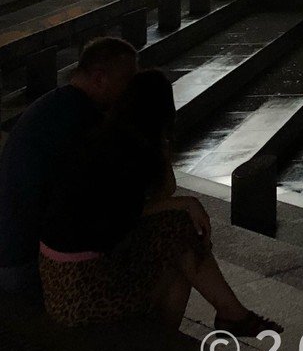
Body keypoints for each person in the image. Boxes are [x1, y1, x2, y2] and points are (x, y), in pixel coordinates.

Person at [39, 69, 279, 334]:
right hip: (80, 292)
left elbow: (146, 202)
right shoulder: (124, 152)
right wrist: (185, 201)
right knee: (178, 248)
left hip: (59, 278)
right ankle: (212, 322)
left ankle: (222, 317)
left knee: (177, 243)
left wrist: (180, 196)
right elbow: (139, 206)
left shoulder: (106, 135)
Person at [0, 37, 138, 297]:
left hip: (12, 250)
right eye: (128, 81)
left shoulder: (53, 105)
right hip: (27, 265)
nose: (131, 91)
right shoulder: (84, 123)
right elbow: (116, 202)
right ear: (100, 78)